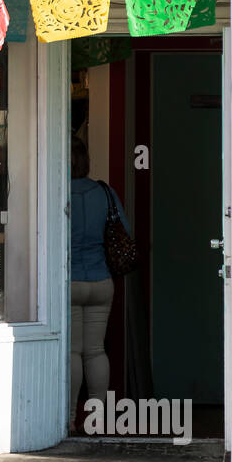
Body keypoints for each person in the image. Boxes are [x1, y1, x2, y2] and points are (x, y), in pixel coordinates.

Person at [69, 135, 130, 433]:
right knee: (95, 350)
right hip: (102, 280)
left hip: (68, 282)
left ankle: (67, 418)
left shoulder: (55, 191)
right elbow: (124, 231)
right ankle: (98, 419)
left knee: (72, 352)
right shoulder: (104, 192)